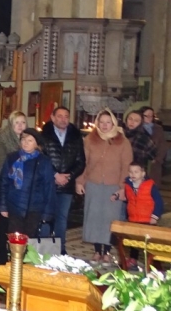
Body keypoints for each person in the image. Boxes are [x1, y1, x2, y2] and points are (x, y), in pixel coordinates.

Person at [77, 109, 133, 262]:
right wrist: (80, 181)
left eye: (108, 122)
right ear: (97, 123)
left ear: (113, 123)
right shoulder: (90, 139)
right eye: (101, 122)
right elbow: (83, 163)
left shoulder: (123, 142)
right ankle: (97, 250)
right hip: (93, 183)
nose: (105, 125)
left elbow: (126, 165)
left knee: (110, 219)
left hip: (113, 185)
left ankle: (107, 251)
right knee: (94, 217)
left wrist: (122, 187)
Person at [39, 106, 86, 254]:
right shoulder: (44, 136)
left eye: (66, 116)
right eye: (59, 116)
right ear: (53, 118)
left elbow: (81, 161)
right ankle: (42, 250)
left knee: (62, 218)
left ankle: (60, 249)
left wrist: (69, 176)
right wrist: (55, 175)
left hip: (67, 185)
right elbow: (41, 158)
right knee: (45, 217)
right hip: (47, 184)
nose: (63, 119)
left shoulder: (75, 136)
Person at [0, 131, 56, 237]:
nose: (25, 143)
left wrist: (47, 213)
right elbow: (4, 182)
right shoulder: (12, 158)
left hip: (34, 209)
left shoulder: (43, 161)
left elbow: (49, 187)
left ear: (36, 144)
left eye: (30, 140)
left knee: (30, 241)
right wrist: (3, 206)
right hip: (14, 206)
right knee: (15, 242)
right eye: (23, 139)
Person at [0, 111, 29, 264]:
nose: (20, 126)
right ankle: (2, 257)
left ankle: (20, 256)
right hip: (6, 188)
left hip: (24, 192)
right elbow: (0, 166)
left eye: (23, 122)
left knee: (22, 224)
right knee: (4, 224)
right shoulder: (1, 141)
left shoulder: (28, 140)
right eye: (17, 123)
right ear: (11, 125)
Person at [141, 107, 167, 185]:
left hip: (154, 163)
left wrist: (157, 159)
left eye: (151, 116)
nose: (149, 118)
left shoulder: (158, 129)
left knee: (152, 187)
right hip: (140, 162)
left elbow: (163, 146)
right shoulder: (138, 128)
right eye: (146, 115)